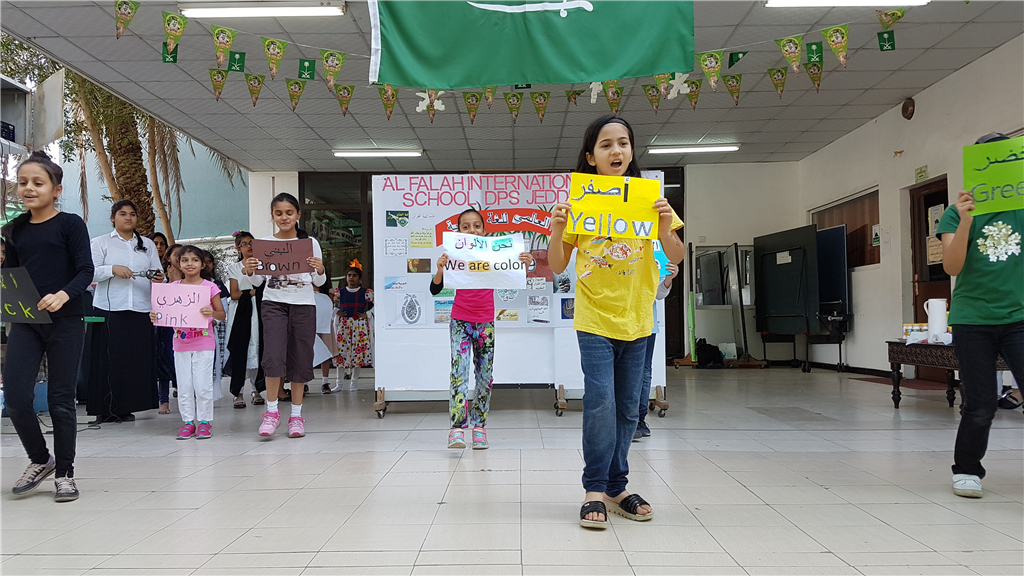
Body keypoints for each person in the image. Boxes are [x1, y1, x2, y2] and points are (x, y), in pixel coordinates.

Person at [548, 115, 684, 529]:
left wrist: (665, 226)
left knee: (629, 406)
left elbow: (676, 255)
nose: (616, 150)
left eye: (623, 142)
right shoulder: (580, 202)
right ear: (591, 156)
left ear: (631, 151)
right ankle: (594, 488)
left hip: (639, 318)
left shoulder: (649, 200)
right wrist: (557, 229)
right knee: (601, 402)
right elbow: (558, 264)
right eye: (606, 144)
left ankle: (616, 486)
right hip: (594, 317)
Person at [2, 151, 94, 502]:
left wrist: (63, 295)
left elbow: (85, 270)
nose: (28, 188)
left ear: (56, 189)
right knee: (15, 398)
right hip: (26, 321)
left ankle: (65, 473)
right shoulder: (13, 230)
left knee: (60, 400)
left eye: (37, 183)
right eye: (23, 182)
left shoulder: (70, 224)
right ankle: (41, 459)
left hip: (66, 321)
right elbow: (11, 276)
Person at [938, 132, 1024, 499]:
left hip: (1019, 316)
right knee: (981, 403)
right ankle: (967, 470)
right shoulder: (955, 212)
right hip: (973, 319)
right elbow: (952, 266)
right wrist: (966, 221)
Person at [430, 209, 533, 450]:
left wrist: (525, 264)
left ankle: (479, 427)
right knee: (459, 373)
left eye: (477, 226)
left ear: (485, 231)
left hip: (485, 323)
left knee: (485, 377)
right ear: (458, 232)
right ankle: (456, 429)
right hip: (460, 322)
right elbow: (435, 289)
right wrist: (440, 269)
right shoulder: (452, 256)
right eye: (465, 227)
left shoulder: (495, 256)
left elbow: (514, 278)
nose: (472, 230)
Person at [242, 193, 326, 438]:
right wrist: (250, 270)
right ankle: (271, 413)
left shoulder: (310, 242)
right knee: (273, 355)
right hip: (273, 304)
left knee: (301, 357)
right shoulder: (264, 243)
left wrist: (320, 269)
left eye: (289, 212)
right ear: (272, 216)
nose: (284, 217)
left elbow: (319, 281)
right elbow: (257, 282)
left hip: (303, 304)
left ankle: (296, 416)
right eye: (278, 213)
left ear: (298, 214)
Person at [87, 200, 164, 423]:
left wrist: (159, 277)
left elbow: (158, 271)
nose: (128, 218)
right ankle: (105, 409)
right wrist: (112, 269)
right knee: (108, 360)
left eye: (132, 214)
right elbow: (90, 272)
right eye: (122, 214)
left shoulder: (147, 244)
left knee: (133, 360)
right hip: (110, 307)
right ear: (113, 218)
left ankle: (127, 407)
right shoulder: (100, 242)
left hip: (140, 308)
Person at [150, 245, 225, 439]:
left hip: (204, 343)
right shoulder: (173, 288)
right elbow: (163, 311)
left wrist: (212, 313)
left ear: (202, 264)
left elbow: (222, 314)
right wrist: (155, 315)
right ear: (178, 264)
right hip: (180, 344)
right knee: (184, 385)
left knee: (203, 385)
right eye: (185, 260)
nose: (190, 264)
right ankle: (187, 422)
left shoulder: (209, 287)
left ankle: (205, 421)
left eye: (194, 260)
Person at [635, 261, 678, 440]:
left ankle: (639, 419)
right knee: (624, 372)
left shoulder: (653, 255)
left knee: (644, 373)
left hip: (646, 325)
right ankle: (625, 419)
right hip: (619, 324)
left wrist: (669, 278)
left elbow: (659, 294)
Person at [225, 231, 266, 408]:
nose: (249, 246)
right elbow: (234, 294)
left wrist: (254, 293)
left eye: (252, 243)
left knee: (257, 347)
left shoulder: (263, 265)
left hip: (259, 311)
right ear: (238, 248)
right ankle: (238, 392)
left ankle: (256, 389)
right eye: (245, 244)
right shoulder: (234, 268)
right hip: (241, 313)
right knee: (240, 348)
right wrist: (251, 292)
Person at [333, 260, 373, 391]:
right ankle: (339, 383)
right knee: (341, 353)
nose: (351, 278)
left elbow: (378, 305)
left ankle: (354, 383)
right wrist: (336, 312)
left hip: (359, 326)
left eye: (354, 275)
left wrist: (368, 314)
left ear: (359, 278)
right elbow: (332, 306)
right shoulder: (340, 292)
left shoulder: (366, 292)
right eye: (349, 275)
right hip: (344, 326)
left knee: (358, 353)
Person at [150, 233, 174, 414]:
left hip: (176, 319)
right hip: (155, 317)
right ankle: (163, 399)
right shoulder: (144, 264)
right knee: (161, 358)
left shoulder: (174, 268)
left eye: (162, 244)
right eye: (155, 243)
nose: (158, 247)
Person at [314, 280, 337, 393]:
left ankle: (325, 381)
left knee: (325, 352)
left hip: (325, 324)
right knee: (306, 352)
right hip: (309, 324)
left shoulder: (328, 293)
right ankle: (304, 382)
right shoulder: (304, 291)